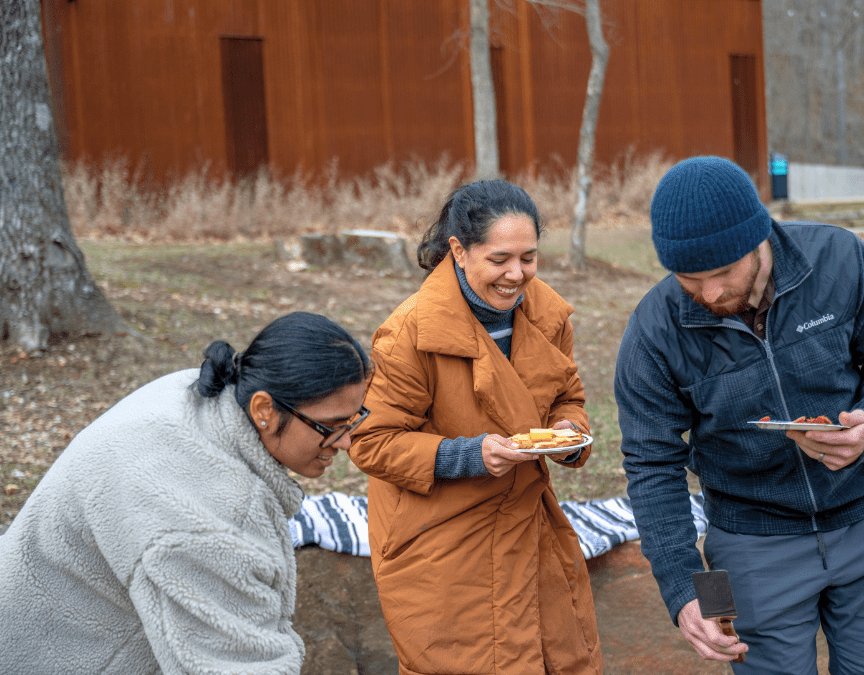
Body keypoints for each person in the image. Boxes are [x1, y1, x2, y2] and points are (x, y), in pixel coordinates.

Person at [614, 156, 864, 674]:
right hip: (748, 545)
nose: (710, 294)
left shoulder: (839, 258)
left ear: (759, 238)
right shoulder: (653, 330)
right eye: (690, 279)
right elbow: (652, 466)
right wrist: (683, 589)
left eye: (723, 273)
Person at [0, 311, 374, 675]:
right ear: (264, 409)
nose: (346, 442)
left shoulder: (200, 391)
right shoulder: (208, 515)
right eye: (331, 426)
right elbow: (237, 665)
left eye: (354, 420)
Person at [349, 180, 603, 675]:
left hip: (529, 522)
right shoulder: (409, 334)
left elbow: (568, 397)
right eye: (500, 259)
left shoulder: (547, 314)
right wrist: (466, 455)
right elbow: (371, 442)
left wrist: (568, 437)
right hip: (441, 540)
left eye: (528, 258)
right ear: (459, 251)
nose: (516, 274)